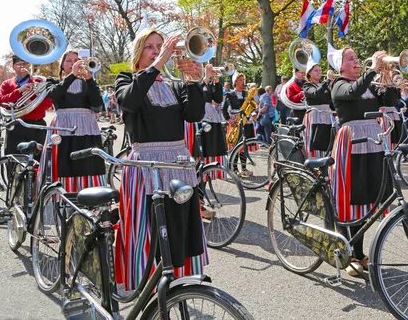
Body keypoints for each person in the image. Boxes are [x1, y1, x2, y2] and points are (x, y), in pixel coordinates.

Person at [114, 28, 207, 291]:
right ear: (138, 52)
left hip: (177, 164)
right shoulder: (126, 79)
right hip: (146, 167)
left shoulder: (174, 85)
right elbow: (130, 101)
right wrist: (158, 64)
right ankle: (146, 286)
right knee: (150, 229)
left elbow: (194, 115)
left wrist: (192, 81)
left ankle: (174, 284)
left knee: (177, 227)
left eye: (160, 46)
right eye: (150, 47)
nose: (157, 51)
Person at [329, 47, 399, 277]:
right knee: (352, 198)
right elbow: (351, 92)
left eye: (357, 58)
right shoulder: (338, 85)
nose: (357, 61)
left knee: (368, 197)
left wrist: (388, 79)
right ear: (340, 67)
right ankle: (349, 254)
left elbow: (390, 101)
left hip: (372, 144)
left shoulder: (367, 84)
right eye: (351, 59)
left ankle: (358, 253)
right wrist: (371, 70)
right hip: (351, 144)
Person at [42, 50, 106, 192]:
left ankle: (91, 199)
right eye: (69, 61)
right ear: (62, 65)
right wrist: (72, 75)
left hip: (87, 128)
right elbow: (54, 94)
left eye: (76, 60)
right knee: (64, 163)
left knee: (89, 162)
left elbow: (97, 104)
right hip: (63, 128)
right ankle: (63, 198)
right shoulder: (53, 81)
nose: (73, 64)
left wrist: (90, 80)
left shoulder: (87, 83)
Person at [0, 55, 54, 160]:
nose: (22, 67)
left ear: (29, 65)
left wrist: (32, 102)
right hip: (16, 125)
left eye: (24, 64)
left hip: (36, 126)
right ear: (13, 66)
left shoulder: (40, 82)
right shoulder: (6, 84)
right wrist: (19, 91)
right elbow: (1, 101)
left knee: (38, 160)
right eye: (18, 64)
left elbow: (48, 103)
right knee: (12, 158)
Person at [222, 72, 257, 177]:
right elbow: (224, 109)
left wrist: (253, 113)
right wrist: (229, 119)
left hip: (246, 120)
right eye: (241, 80)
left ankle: (244, 168)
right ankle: (234, 168)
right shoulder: (229, 94)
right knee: (235, 145)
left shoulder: (247, 93)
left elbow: (252, 106)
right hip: (235, 120)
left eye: (244, 80)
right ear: (235, 82)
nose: (243, 82)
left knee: (244, 145)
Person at [302, 61, 334, 157]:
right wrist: (327, 81)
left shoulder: (324, 85)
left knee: (327, 141)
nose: (319, 72)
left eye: (320, 70)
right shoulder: (307, 86)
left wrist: (333, 84)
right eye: (316, 70)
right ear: (309, 73)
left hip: (327, 115)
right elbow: (316, 93)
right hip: (315, 116)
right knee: (316, 142)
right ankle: (314, 163)